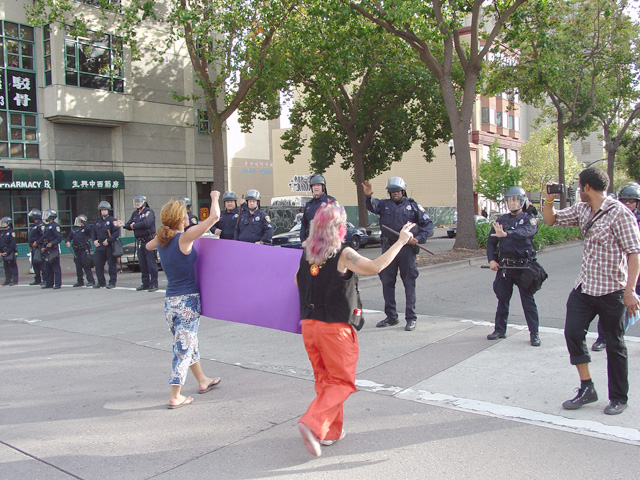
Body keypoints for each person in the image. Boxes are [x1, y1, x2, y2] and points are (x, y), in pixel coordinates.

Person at [295, 201, 415, 457]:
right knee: (342, 382)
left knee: (325, 381)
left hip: (309, 326)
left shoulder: (308, 255)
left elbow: (298, 281)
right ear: (339, 227)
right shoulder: (343, 254)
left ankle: (329, 432)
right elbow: (375, 267)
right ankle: (312, 422)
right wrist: (401, 242)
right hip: (334, 328)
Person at [543, 168, 640, 415]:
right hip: (585, 288)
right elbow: (550, 220)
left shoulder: (620, 213)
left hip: (612, 291)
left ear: (587, 187)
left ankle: (619, 397)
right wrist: (549, 200)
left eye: (579, 186)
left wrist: (630, 291)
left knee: (615, 345)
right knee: (573, 333)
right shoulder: (582, 209)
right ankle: (587, 388)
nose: (578, 190)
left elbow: (633, 254)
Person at [145, 191, 222, 409]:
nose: (188, 217)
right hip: (187, 302)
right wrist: (214, 196)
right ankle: (175, 394)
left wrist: (160, 237)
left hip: (171, 302)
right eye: (186, 215)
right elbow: (214, 218)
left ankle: (202, 380)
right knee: (183, 348)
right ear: (181, 220)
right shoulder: (184, 238)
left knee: (189, 343)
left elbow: (147, 246)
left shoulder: (162, 240)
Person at [362, 177, 434, 331]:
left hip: (406, 250)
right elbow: (371, 205)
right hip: (388, 249)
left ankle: (411, 318)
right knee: (387, 282)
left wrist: (418, 238)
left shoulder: (413, 206)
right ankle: (391, 316)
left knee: (409, 283)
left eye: (397, 191)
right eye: (392, 191)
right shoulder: (384, 205)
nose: (395, 193)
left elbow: (428, 225)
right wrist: (368, 195)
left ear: (403, 190)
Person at [486, 186, 541, 346]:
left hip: (523, 267)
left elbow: (526, 232)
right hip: (505, 266)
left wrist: (508, 234)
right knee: (502, 299)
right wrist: (491, 260)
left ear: (522, 201)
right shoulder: (501, 220)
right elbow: (491, 242)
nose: (512, 203)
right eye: (510, 200)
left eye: (516, 199)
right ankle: (500, 329)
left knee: (528, 301)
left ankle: (534, 333)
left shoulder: (528, 219)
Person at [591, 183, 640, 352]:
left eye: (632, 201)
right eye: (625, 200)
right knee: (609, 307)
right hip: (619, 271)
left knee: (633, 306)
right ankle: (603, 338)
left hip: (636, 269)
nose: (628, 204)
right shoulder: (613, 216)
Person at [121, 195, 158, 292]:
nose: (137, 203)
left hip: (149, 240)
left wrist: (135, 226)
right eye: (136, 201)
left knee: (151, 263)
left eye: (139, 201)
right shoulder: (135, 213)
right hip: (139, 241)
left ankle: (154, 283)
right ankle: (145, 283)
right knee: (142, 263)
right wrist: (124, 225)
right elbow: (129, 224)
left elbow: (147, 223)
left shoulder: (148, 212)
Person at [300, 174, 336, 244]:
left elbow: (336, 223)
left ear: (323, 187)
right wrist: (303, 240)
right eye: (314, 185)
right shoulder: (309, 204)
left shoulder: (330, 201)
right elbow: (304, 223)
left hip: (325, 243)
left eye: (318, 185)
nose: (316, 187)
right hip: (310, 243)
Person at [92, 201, 120, 289]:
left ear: (108, 210)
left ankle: (112, 282)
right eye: (102, 210)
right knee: (98, 263)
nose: (103, 211)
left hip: (109, 245)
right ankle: (101, 282)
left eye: (105, 210)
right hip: (100, 245)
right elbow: (93, 232)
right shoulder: (97, 221)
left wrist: (109, 240)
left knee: (111, 264)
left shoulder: (112, 220)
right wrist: (94, 240)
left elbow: (116, 233)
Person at [65, 215, 95, 287]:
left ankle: (91, 280)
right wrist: (67, 241)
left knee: (86, 265)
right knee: (78, 266)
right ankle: (80, 281)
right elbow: (68, 237)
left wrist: (84, 221)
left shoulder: (85, 230)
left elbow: (89, 229)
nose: (78, 222)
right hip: (76, 250)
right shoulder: (74, 230)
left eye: (79, 221)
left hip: (84, 250)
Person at [40, 209, 62, 289]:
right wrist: (43, 247)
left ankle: (57, 283)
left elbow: (59, 238)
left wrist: (52, 243)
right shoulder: (46, 226)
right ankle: (49, 283)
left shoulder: (55, 226)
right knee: (48, 267)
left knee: (55, 267)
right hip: (47, 249)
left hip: (53, 249)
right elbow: (44, 238)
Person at [28, 209, 46, 286]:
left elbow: (43, 235)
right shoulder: (33, 225)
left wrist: (37, 242)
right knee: (35, 264)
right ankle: (37, 279)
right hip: (33, 248)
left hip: (39, 247)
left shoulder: (41, 225)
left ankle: (45, 279)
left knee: (41, 263)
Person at [0, 216, 18, 286]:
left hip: (10, 252)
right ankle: (8, 280)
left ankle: (14, 280)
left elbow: (12, 243)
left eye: (4, 223)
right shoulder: (3, 233)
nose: (3, 224)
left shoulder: (11, 232)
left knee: (12, 266)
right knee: (6, 267)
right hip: (3, 252)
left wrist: (7, 252)